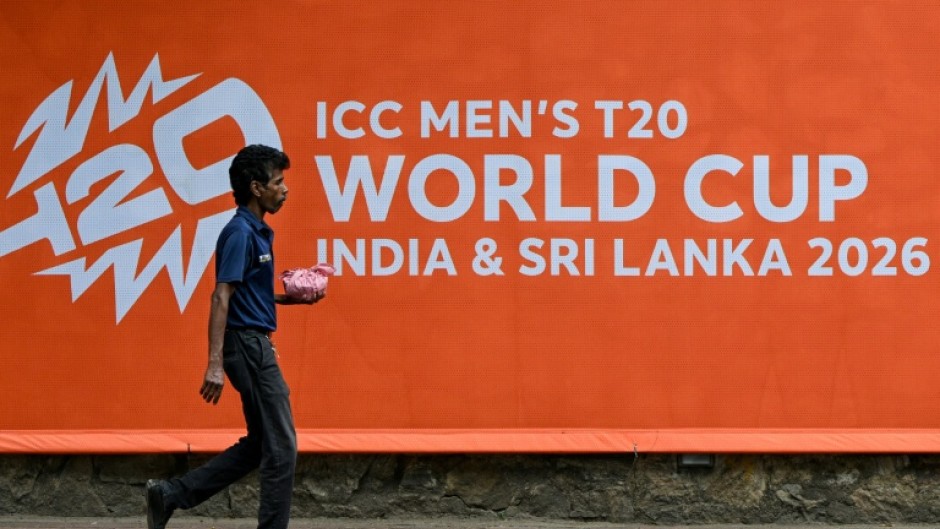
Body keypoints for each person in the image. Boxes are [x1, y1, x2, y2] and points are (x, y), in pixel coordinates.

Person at [146, 144, 322, 529]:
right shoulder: (240, 232)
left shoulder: (257, 232)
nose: (285, 189)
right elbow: (220, 295)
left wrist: (294, 298)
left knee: (262, 444)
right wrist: (213, 364)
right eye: (278, 182)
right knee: (282, 447)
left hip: (252, 342)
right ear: (257, 188)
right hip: (248, 347)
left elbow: (247, 294)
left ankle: (171, 494)